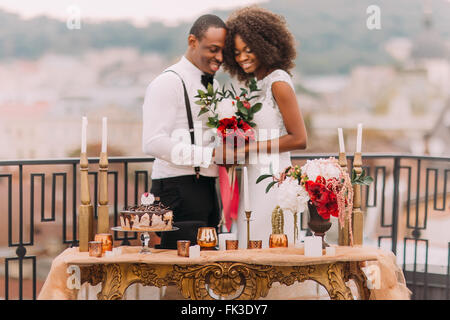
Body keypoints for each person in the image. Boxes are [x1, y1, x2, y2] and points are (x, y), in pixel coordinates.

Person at [221, 6, 321, 300]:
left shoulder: (278, 82)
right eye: (236, 52)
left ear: (267, 43)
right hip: (251, 179)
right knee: (249, 251)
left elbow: (299, 138)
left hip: (273, 181)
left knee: (271, 252)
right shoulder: (253, 85)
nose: (242, 57)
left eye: (248, 49)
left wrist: (248, 148)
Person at [142, 14, 227, 241]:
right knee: (179, 268)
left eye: (223, 51)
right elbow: (152, 141)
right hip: (177, 188)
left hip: (208, 187)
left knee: (208, 265)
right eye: (213, 49)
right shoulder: (168, 82)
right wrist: (210, 155)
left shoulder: (215, 84)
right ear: (192, 42)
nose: (219, 57)